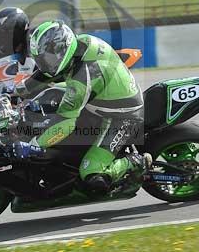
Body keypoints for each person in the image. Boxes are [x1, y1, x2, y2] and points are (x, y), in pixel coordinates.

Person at [16, 20, 151, 195]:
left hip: (123, 117)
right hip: (102, 100)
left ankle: (135, 162)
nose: (46, 64)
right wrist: (18, 91)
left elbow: (66, 123)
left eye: (48, 58)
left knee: (91, 173)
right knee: (47, 100)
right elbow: (46, 74)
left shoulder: (81, 79)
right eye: (42, 59)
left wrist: (34, 145)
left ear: (62, 49)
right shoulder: (79, 43)